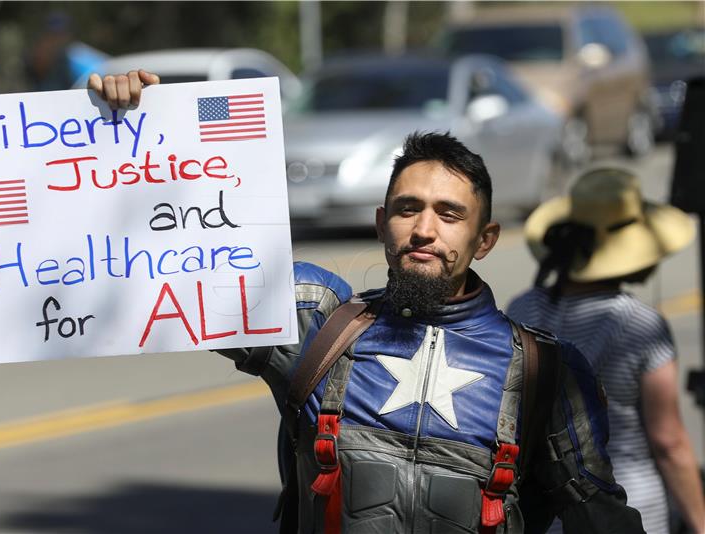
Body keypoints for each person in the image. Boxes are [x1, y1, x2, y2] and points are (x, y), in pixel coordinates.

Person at [87, 71, 645, 533]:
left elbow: (602, 519)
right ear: (382, 224)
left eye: (449, 215)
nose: (425, 229)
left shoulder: (544, 372)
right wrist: (135, 128)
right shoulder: (317, 321)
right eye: (407, 208)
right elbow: (168, 265)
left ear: (485, 240)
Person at [507, 168, 705, 534]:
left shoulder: (522, 310)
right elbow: (668, 441)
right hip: (629, 512)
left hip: (546, 514)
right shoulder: (639, 324)